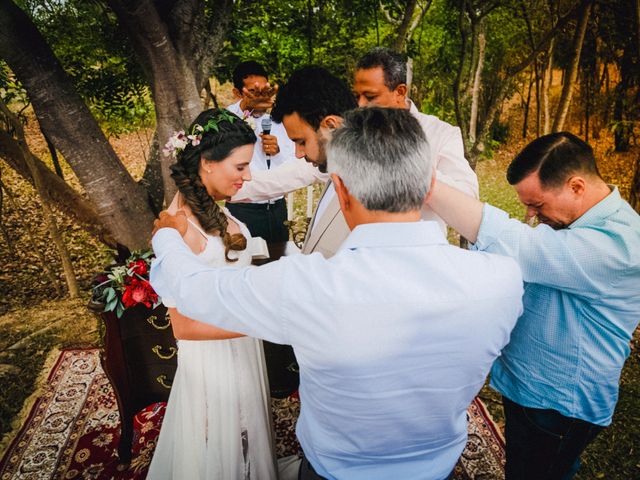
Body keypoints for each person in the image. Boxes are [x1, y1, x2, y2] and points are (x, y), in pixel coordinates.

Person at [150, 107, 524, 480]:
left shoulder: (305, 287)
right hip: (438, 469)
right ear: (430, 184)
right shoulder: (502, 281)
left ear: (341, 191)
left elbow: (191, 290)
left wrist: (167, 235)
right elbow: (507, 239)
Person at [425, 132, 640, 480]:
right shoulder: (578, 221)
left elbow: (522, 248)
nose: (531, 214)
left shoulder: (622, 247)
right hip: (534, 391)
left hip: (557, 405)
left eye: (537, 205)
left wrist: (426, 185)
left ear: (576, 186)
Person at [147, 108, 278, 480]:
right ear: (206, 163)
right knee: (215, 448)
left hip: (242, 348)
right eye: (240, 167)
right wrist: (259, 321)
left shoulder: (219, 214)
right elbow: (183, 327)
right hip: (212, 361)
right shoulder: (177, 228)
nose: (248, 176)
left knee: (247, 434)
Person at [353, 47, 479, 233]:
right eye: (357, 96)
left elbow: (469, 197)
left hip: (421, 254)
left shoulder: (440, 134)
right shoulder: (355, 131)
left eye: (370, 97)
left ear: (400, 92)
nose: (360, 105)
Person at [226, 61, 297, 243]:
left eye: (265, 90)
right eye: (254, 91)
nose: (261, 96)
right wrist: (245, 109)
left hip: (277, 207)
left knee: (279, 258)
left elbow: (294, 160)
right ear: (237, 93)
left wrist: (278, 150)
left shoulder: (278, 120)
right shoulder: (226, 119)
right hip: (243, 208)